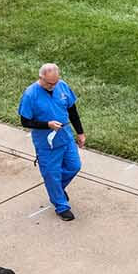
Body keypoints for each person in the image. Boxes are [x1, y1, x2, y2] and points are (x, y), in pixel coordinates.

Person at [18, 63, 86, 221]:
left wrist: (80, 133)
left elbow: (72, 111)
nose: (53, 86)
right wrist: (46, 124)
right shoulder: (30, 95)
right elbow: (25, 121)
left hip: (65, 137)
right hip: (46, 144)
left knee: (74, 166)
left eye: (55, 82)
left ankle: (58, 190)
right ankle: (61, 206)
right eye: (49, 83)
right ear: (41, 78)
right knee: (51, 175)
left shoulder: (61, 86)